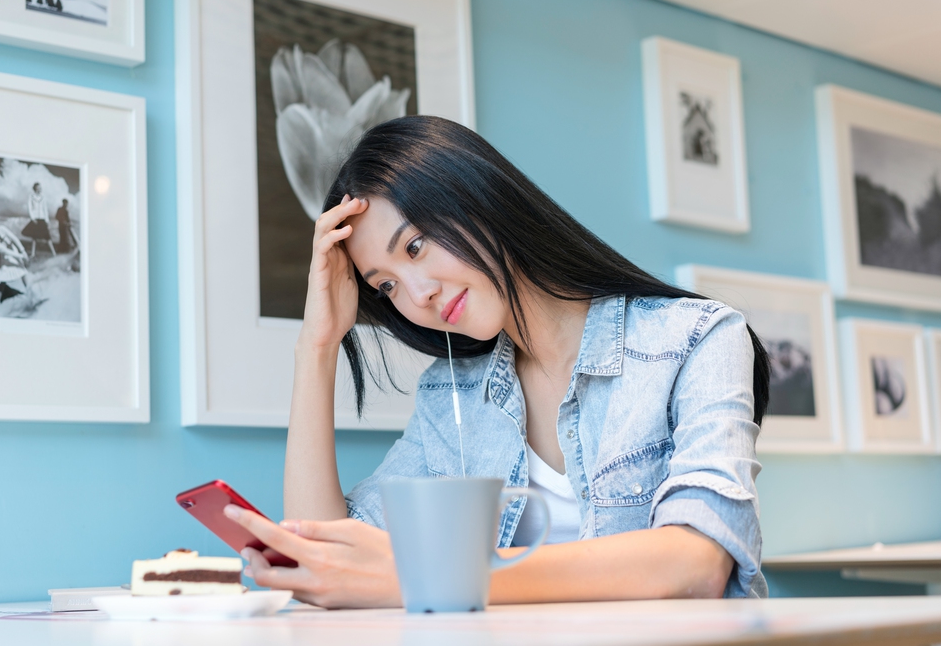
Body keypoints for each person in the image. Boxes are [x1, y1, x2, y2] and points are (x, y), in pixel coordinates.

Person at [223, 116, 770, 608]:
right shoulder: (451, 395)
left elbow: (698, 562)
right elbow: (324, 558)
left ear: (475, 197)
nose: (418, 295)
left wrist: (436, 576)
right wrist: (316, 349)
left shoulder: (698, 338)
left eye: (414, 247)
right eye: (386, 285)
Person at [22, 182, 56, 258]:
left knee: (47, 237)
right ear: (35, 189)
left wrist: (47, 220)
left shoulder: (43, 197)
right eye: (38, 188)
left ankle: (54, 254)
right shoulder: (31, 196)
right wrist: (32, 218)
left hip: (42, 219)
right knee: (34, 237)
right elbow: (30, 208)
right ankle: (33, 254)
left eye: (40, 188)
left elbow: (45, 209)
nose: (40, 189)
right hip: (35, 219)